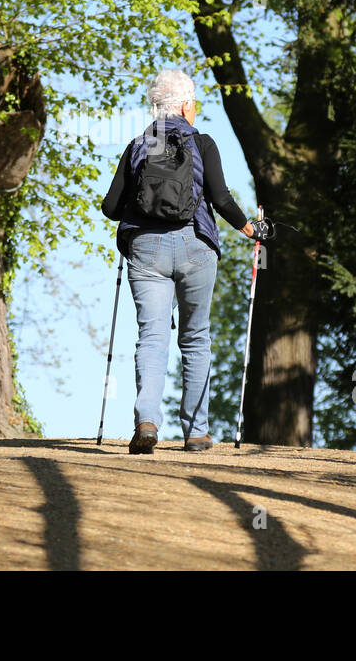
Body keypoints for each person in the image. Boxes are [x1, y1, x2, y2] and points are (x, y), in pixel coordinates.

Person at [101, 69, 269, 454]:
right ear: (186, 105)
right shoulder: (203, 143)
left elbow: (111, 207)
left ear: (155, 107)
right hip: (196, 245)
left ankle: (146, 420)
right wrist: (250, 229)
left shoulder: (138, 145)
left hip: (145, 249)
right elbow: (221, 198)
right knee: (195, 338)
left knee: (152, 336)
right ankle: (196, 432)